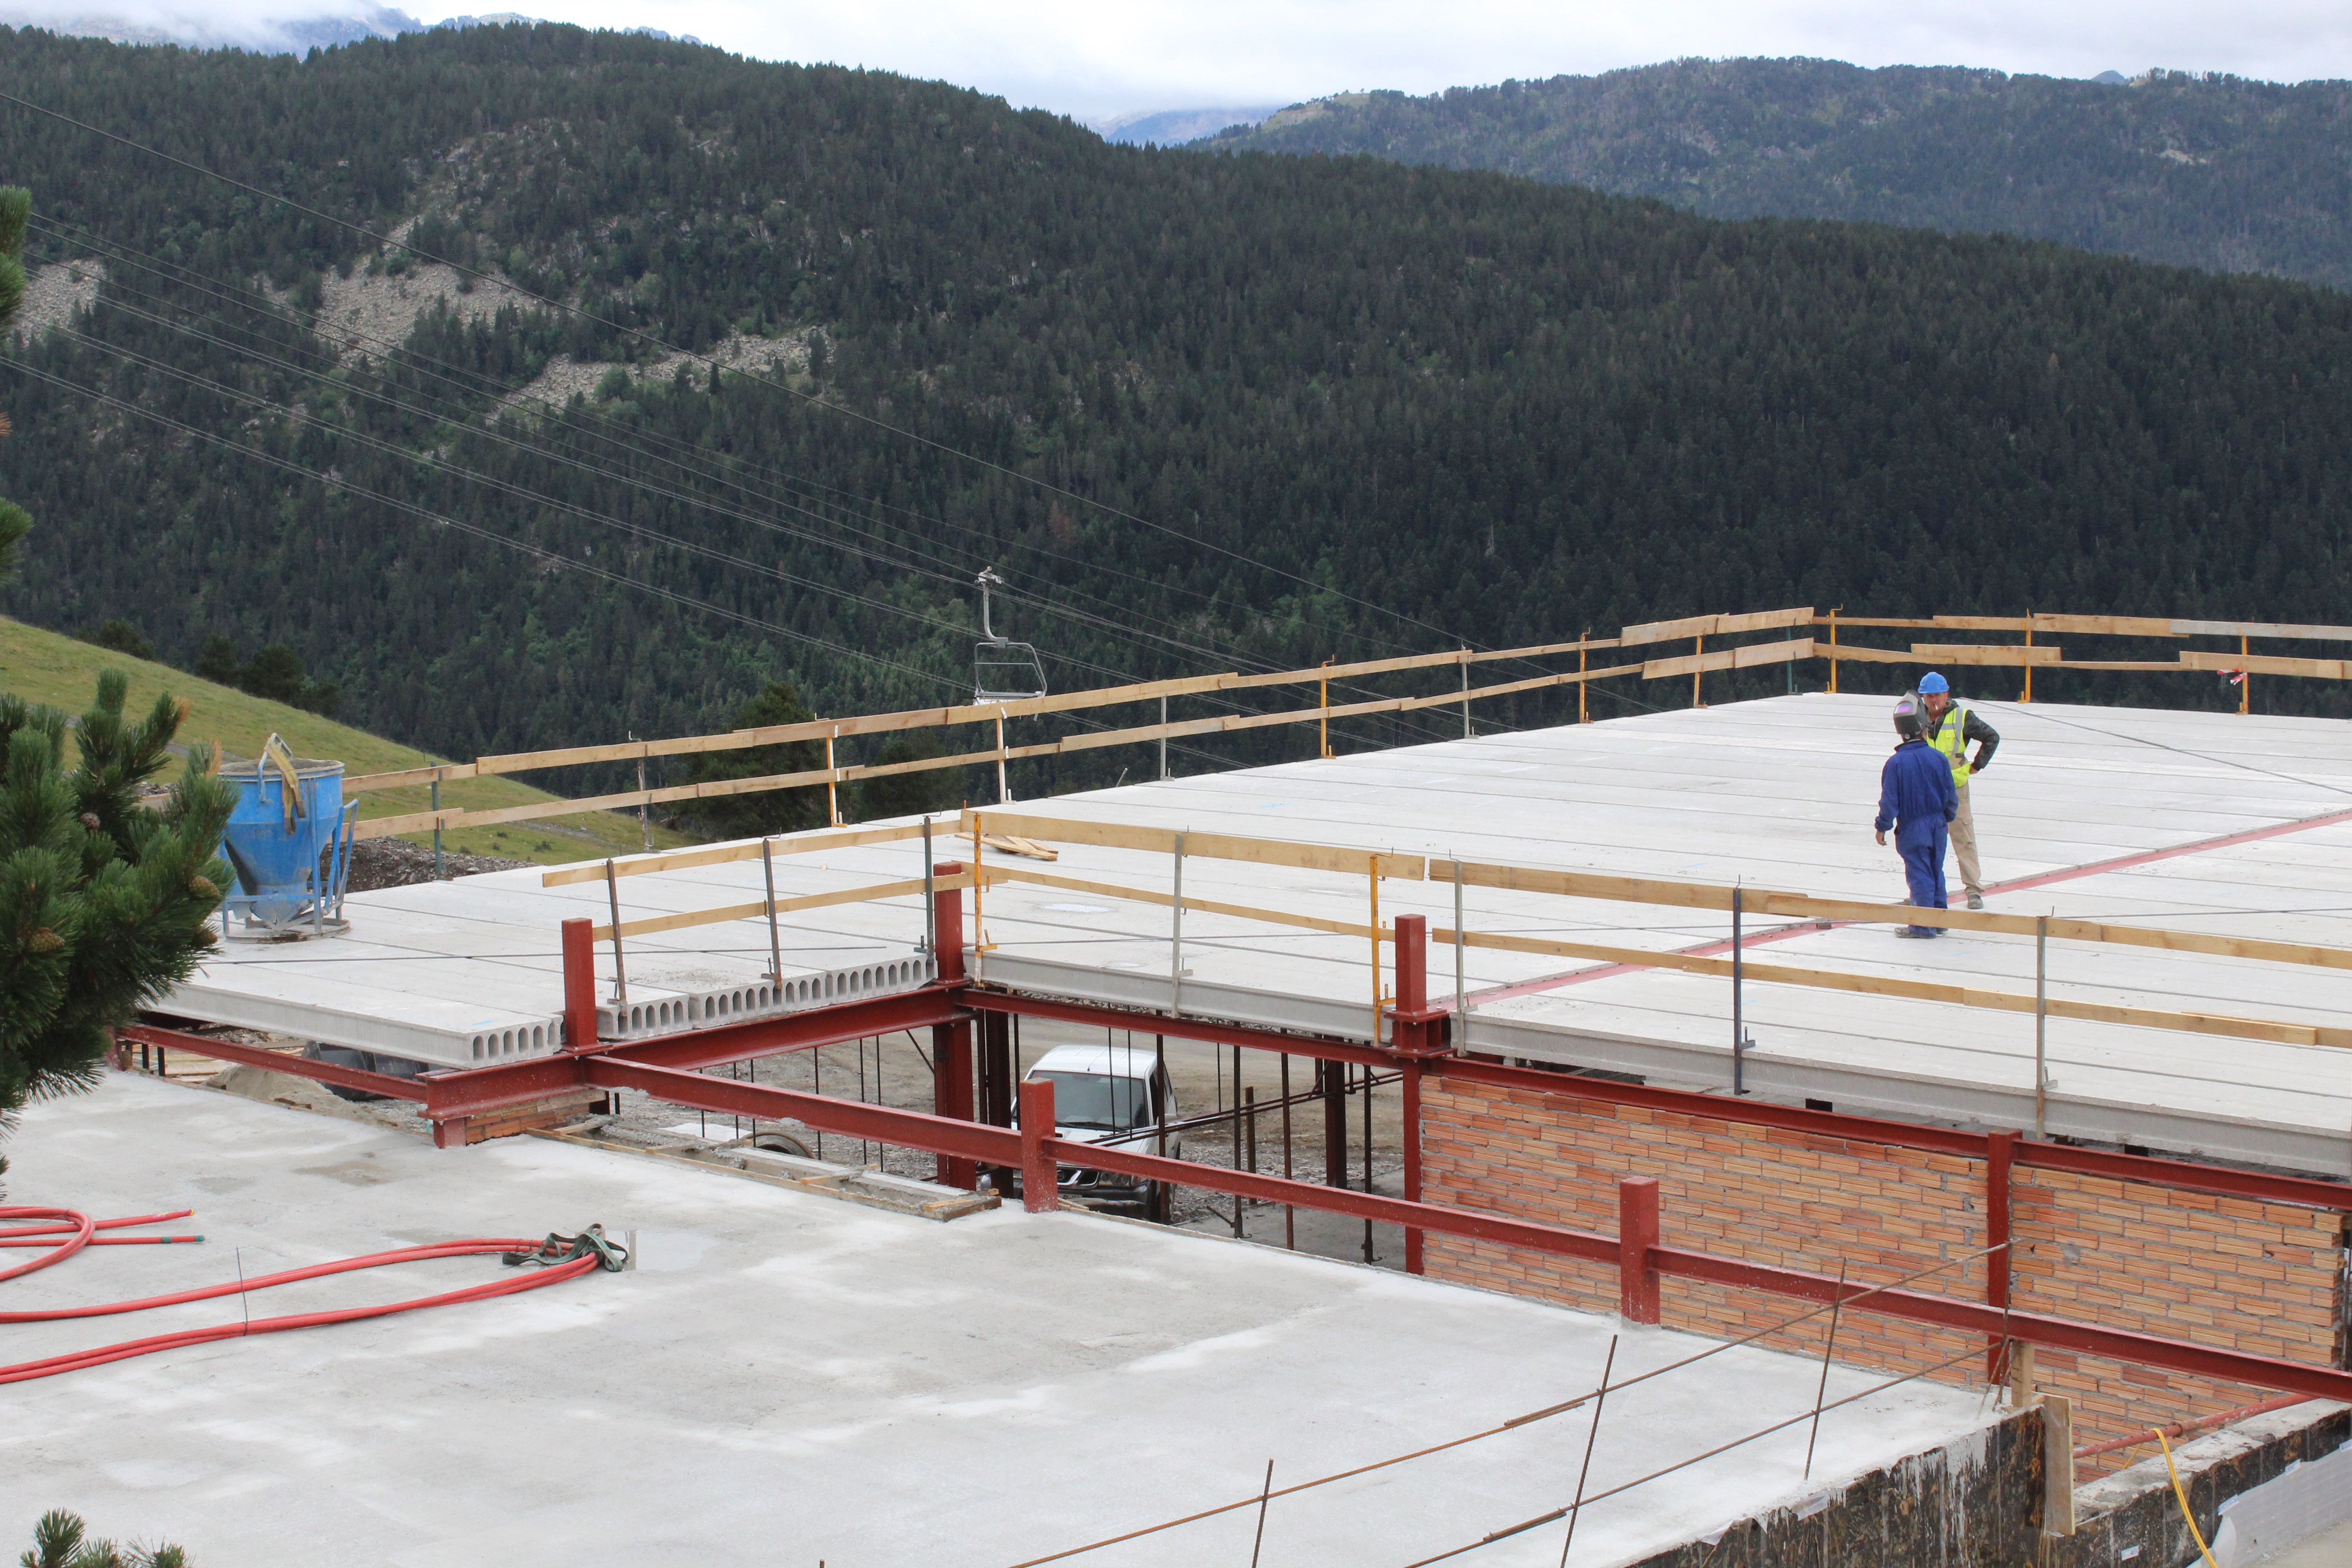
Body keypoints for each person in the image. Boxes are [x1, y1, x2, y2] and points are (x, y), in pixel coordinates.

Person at [1915, 671, 2000, 909]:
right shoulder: (1917, 718)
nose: (1933, 701)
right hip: (1926, 787)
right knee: (1924, 840)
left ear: (1946, 695)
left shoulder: (1963, 717)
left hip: (1955, 786)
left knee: (1963, 837)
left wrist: (1975, 767)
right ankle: (1926, 890)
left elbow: (1991, 737)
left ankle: (1973, 890)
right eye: (1929, 696)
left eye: (1937, 696)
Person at [1875, 697, 1958, 937]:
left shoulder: (1896, 764)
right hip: (1938, 823)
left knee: (1919, 873)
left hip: (1913, 827)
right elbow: (1951, 795)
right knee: (1936, 870)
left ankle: (1923, 926)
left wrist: (1882, 827)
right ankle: (1940, 919)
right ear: (1923, 729)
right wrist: (1946, 819)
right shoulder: (1938, 758)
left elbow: (1890, 802)